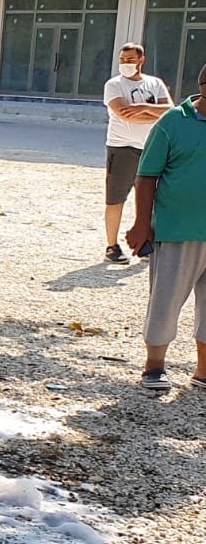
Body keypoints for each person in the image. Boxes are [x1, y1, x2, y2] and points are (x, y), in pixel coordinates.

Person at [126, 62, 206, 391]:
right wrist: (141, 223)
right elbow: (146, 176)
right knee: (165, 301)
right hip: (177, 229)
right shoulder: (173, 122)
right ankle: (154, 367)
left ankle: (203, 372)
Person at [102, 42, 172, 263]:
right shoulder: (114, 85)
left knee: (151, 198)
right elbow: (123, 113)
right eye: (122, 60)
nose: (125, 64)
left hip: (151, 147)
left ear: (141, 60)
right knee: (116, 199)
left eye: (130, 60)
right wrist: (153, 112)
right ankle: (112, 246)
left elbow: (170, 110)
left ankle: (144, 244)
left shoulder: (155, 83)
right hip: (122, 147)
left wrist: (141, 107)